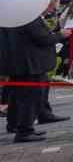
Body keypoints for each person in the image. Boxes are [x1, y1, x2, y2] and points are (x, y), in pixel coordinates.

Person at [3, 10, 64, 143]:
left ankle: (15, 125)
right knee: (29, 97)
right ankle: (25, 130)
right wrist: (60, 35)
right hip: (30, 63)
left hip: (16, 62)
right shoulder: (27, 16)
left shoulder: (8, 15)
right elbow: (42, 38)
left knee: (17, 96)